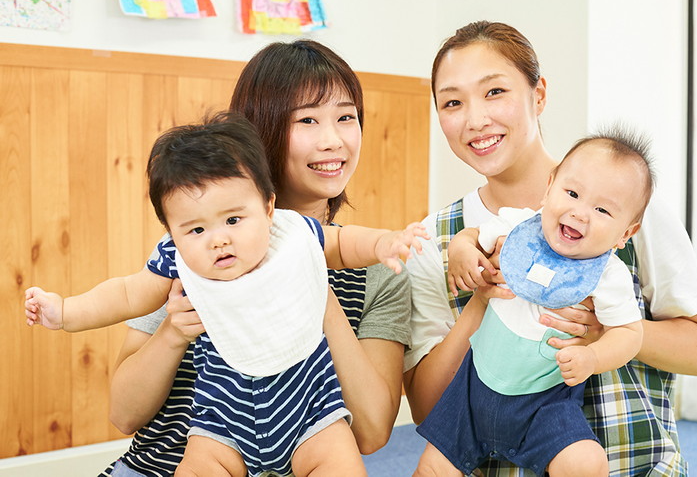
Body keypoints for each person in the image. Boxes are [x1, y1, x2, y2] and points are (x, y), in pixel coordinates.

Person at [24, 112, 426, 476]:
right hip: (219, 423)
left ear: (268, 207)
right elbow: (127, 293)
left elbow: (343, 244)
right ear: (172, 231)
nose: (218, 240)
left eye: (234, 219)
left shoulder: (290, 235)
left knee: (341, 466)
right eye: (196, 230)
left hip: (309, 413)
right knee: (197, 468)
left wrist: (383, 244)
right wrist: (64, 311)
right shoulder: (177, 261)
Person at [403, 21, 697, 476]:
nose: (475, 119)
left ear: (539, 95)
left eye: (494, 92)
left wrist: (608, 334)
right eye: (453, 102)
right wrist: (480, 298)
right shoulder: (437, 239)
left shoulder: (631, 211)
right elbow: (428, 409)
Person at [87, 40, 413, 477]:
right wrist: (173, 330)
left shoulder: (378, 269)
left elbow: (372, 432)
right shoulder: (199, 252)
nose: (333, 140)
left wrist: (316, 289)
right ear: (265, 128)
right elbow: (124, 414)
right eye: (308, 120)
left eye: (346, 117)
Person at [415, 132, 653, 476]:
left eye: (602, 210)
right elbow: (471, 237)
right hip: (471, 392)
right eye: (571, 193)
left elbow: (629, 333)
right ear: (549, 187)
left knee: (586, 462)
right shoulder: (517, 226)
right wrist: (461, 252)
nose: (579, 212)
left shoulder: (607, 275)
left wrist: (593, 357)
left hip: (545, 404)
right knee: (431, 469)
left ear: (625, 234)